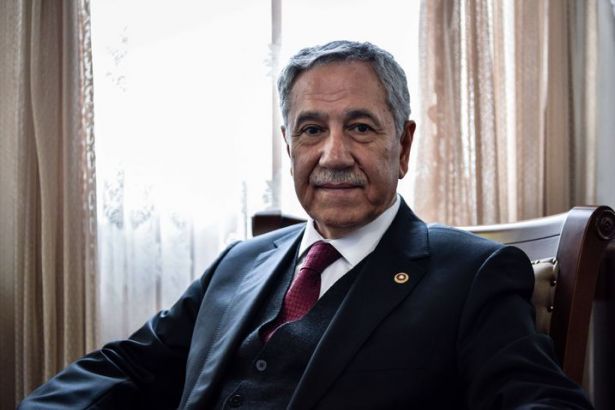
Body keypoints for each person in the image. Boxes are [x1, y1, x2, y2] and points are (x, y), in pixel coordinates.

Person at [19, 41, 593, 409]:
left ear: (403, 146)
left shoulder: (472, 273)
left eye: (360, 127)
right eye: (312, 130)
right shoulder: (240, 261)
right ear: (288, 144)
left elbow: (539, 400)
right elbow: (129, 365)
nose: (333, 155)